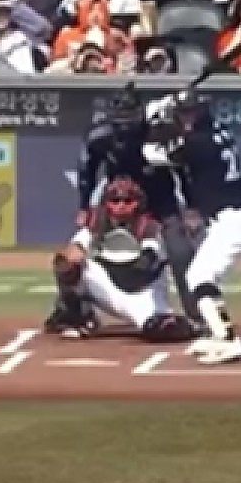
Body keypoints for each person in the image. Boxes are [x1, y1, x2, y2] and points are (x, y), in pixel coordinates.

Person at [44, 83, 202, 336]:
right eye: (120, 122)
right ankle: (72, 310)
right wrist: (84, 206)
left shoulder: (160, 134)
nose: (125, 129)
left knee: (180, 250)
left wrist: (191, 207)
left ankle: (197, 315)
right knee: (69, 263)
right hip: (119, 193)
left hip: (159, 194)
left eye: (130, 122)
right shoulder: (99, 137)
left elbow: (183, 170)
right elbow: (87, 171)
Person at [143, 89, 241, 365]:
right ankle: (218, 333)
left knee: (200, 276)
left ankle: (228, 339)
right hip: (230, 216)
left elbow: (152, 154)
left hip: (236, 220)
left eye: (187, 113)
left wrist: (154, 117)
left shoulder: (198, 143)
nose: (183, 118)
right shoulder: (214, 131)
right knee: (200, 276)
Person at [49, 176, 198, 342]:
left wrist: (142, 262)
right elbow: (73, 249)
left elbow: (147, 262)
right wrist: (76, 251)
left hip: (142, 292)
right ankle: (78, 316)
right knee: (66, 264)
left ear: (138, 203)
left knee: (161, 329)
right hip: (107, 286)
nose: (121, 206)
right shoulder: (98, 223)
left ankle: (190, 324)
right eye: (115, 200)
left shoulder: (149, 226)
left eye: (128, 201)